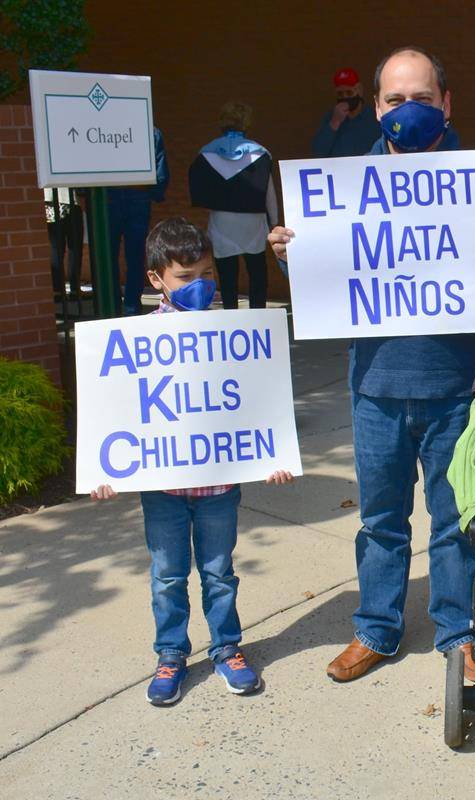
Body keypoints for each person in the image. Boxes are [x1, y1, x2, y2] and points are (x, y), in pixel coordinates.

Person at [269, 46, 475, 684]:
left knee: (454, 521)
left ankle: (456, 632)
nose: (409, 111)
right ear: (376, 107)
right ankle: (377, 627)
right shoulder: (339, 187)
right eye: (395, 100)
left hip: (456, 388)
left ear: (446, 104)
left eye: (422, 98)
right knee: (380, 522)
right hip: (374, 389)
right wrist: (292, 252)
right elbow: (331, 275)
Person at [90, 217, 294, 706]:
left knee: (220, 571)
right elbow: (117, 406)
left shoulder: (238, 334)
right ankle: (171, 654)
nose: (200, 285)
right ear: (156, 278)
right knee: (167, 575)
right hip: (162, 490)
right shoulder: (134, 339)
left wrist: (273, 453)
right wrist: (104, 469)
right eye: (186, 277)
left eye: (207, 274)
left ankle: (227, 647)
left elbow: (253, 399)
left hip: (219, 488)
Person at [188, 101, 278, 310]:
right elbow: (269, 193)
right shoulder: (261, 153)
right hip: (253, 221)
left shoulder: (207, 153)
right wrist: (274, 221)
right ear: (246, 122)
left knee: (227, 274)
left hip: (221, 220)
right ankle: (258, 314)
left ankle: (231, 313)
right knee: (257, 271)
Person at [108, 127, 169, 315]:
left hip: (108, 193)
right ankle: (131, 306)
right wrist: (155, 192)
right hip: (139, 192)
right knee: (135, 257)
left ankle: (111, 305)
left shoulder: (102, 128)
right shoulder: (150, 130)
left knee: (107, 256)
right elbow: (160, 172)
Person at [311, 66, 381, 158]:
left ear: (359, 90)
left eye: (349, 92)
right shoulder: (330, 118)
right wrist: (334, 123)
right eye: (340, 94)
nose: (345, 97)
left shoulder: (374, 117)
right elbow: (318, 152)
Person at [44, 187, 84, 297]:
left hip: (50, 200)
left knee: (56, 248)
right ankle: (74, 289)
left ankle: (57, 290)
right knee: (75, 246)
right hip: (70, 200)